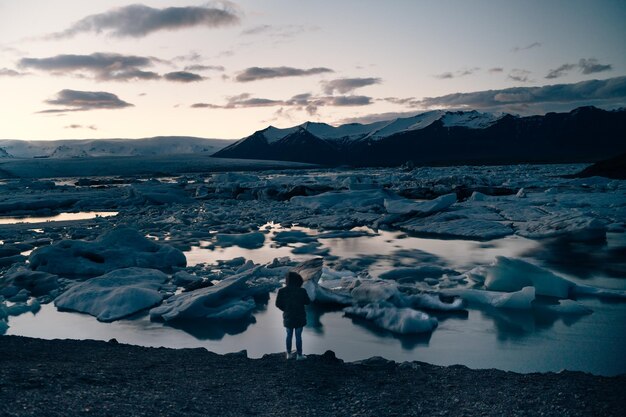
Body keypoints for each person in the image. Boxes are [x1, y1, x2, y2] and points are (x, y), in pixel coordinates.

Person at [275, 271, 311, 360]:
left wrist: (285, 309)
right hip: (300, 316)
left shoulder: (282, 291)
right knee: (298, 336)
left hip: (288, 316)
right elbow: (307, 301)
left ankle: (289, 354)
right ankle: (299, 355)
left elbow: (278, 304)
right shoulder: (302, 290)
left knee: (289, 335)